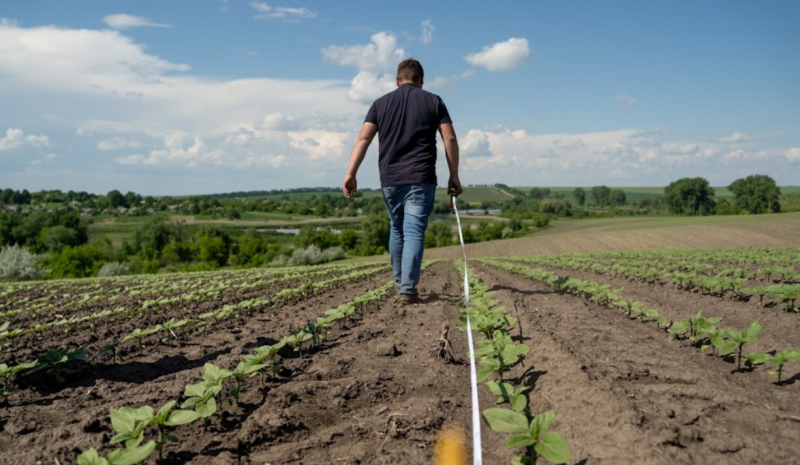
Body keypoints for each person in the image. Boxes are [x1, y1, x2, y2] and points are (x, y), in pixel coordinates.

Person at [342, 58, 462, 304]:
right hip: (421, 178)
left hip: (390, 180)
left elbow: (363, 139)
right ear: (421, 81)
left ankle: (400, 283)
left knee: (397, 229)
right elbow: (449, 138)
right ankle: (407, 288)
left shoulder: (380, 104)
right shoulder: (434, 100)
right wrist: (454, 174)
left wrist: (350, 173)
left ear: (397, 81)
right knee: (414, 231)